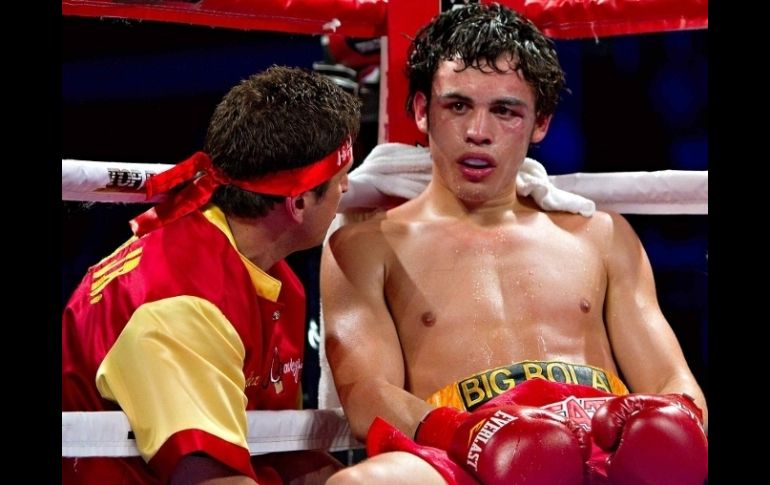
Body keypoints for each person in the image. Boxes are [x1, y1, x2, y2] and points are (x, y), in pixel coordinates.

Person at [321, 4, 707, 485]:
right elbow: (367, 396)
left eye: (504, 111)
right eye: (457, 105)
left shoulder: (600, 235)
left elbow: (673, 380)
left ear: (539, 122)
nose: (477, 132)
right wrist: (475, 437)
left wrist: (671, 423)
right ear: (423, 110)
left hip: (603, 447)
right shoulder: (368, 245)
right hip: (460, 448)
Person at [62, 65, 361, 484]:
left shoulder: (265, 274)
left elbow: (280, 453)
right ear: (298, 204)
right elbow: (208, 479)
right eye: (338, 175)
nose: (348, 187)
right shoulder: (183, 304)